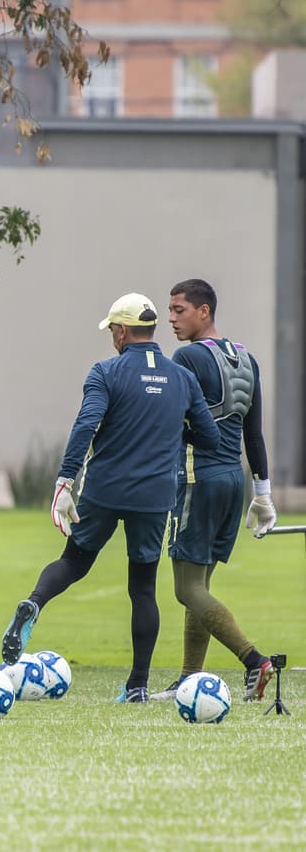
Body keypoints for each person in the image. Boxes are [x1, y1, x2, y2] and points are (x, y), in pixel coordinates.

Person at [0, 293, 220, 703]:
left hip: (104, 488)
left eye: (112, 331)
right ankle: (137, 686)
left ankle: (34, 602)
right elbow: (209, 436)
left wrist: (65, 480)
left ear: (121, 331)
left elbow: (87, 424)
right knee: (143, 589)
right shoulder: (182, 377)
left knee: (73, 562)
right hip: (155, 496)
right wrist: (171, 432)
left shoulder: (106, 371)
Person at [150, 279, 277, 702]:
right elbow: (253, 435)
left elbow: (170, 418)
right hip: (234, 482)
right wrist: (263, 493)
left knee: (185, 588)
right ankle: (189, 680)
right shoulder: (247, 359)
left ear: (204, 311)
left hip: (196, 479)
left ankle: (254, 660)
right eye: (169, 310)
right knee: (199, 583)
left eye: (178, 310)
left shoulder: (186, 357)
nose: (170, 318)